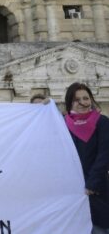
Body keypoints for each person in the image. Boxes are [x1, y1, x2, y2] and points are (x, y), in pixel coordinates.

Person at [63, 82, 109, 233]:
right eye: (77, 99)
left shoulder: (102, 122)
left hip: (95, 190)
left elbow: (105, 154)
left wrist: (91, 184)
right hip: (69, 191)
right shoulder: (62, 123)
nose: (83, 102)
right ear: (70, 102)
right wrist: (42, 107)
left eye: (86, 98)